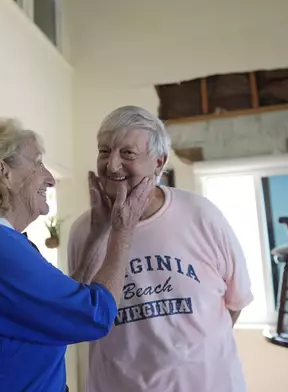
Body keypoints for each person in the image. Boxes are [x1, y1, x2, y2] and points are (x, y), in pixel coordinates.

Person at [0, 117, 153, 392]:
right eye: (37, 162)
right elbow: (93, 315)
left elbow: (60, 309)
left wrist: (99, 232)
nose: (49, 178)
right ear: (4, 171)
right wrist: (123, 231)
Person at [68, 106, 254, 392]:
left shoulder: (201, 215)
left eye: (127, 153)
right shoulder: (84, 232)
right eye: (105, 151)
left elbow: (235, 302)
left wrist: (192, 358)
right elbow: (75, 316)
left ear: (159, 162)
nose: (112, 165)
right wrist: (100, 235)